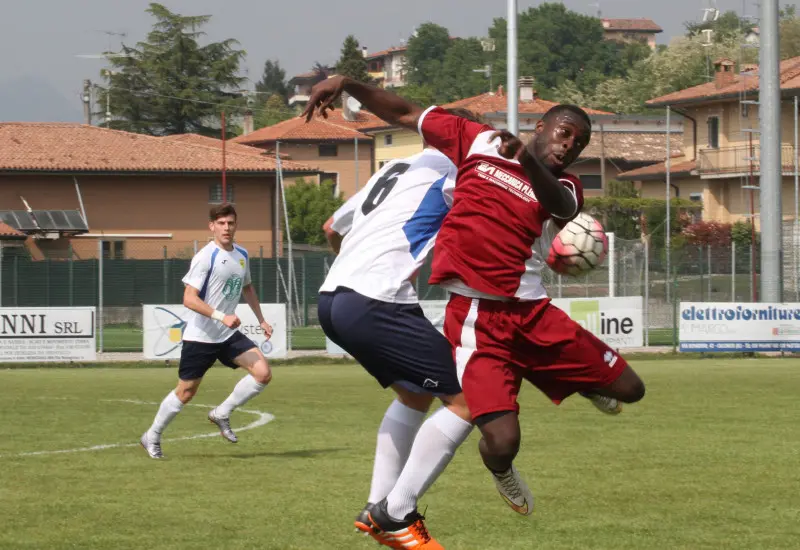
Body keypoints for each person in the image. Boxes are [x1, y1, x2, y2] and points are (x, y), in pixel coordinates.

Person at [303, 77, 646, 518]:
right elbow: (405, 112)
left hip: (533, 313)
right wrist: (349, 83)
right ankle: (492, 473)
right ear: (540, 126)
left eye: (578, 144)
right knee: (502, 443)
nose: (568, 147)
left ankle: (582, 382)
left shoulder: (566, 186)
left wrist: (526, 160)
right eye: (564, 133)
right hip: (477, 318)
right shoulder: (477, 142)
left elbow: (560, 208)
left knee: (632, 390)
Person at [317, 113, 483, 549]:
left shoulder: (392, 168)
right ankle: (396, 513)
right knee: (469, 400)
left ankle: (376, 507)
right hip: (376, 300)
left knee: (414, 395)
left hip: (333, 299)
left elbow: (331, 228)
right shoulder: (455, 172)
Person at [140, 203, 274, 459]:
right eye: (221, 223)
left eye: (231, 223)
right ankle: (152, 436)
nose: (226, 228)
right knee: (186, 392)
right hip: (201, 336)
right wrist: (221, 316)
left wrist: (262, 320)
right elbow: (189, 299)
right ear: (211, 226)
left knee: (263, 373)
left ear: (236, 225)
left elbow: (248, 288)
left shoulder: (242, 254)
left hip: (227, 335)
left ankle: (221, 413)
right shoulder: (205, 257)